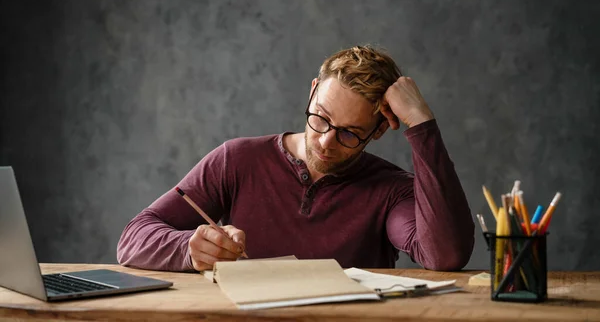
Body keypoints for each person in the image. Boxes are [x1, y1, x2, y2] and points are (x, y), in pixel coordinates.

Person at [117, 45, 474, 272]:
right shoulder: (237, 160)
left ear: (378, 131)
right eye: (320, 117)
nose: (325, 141)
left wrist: (422, 126)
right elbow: (133, 238)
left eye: (349, 133)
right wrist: (188, 248)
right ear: (313, 90)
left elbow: (444, 256)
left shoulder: (391, 190)